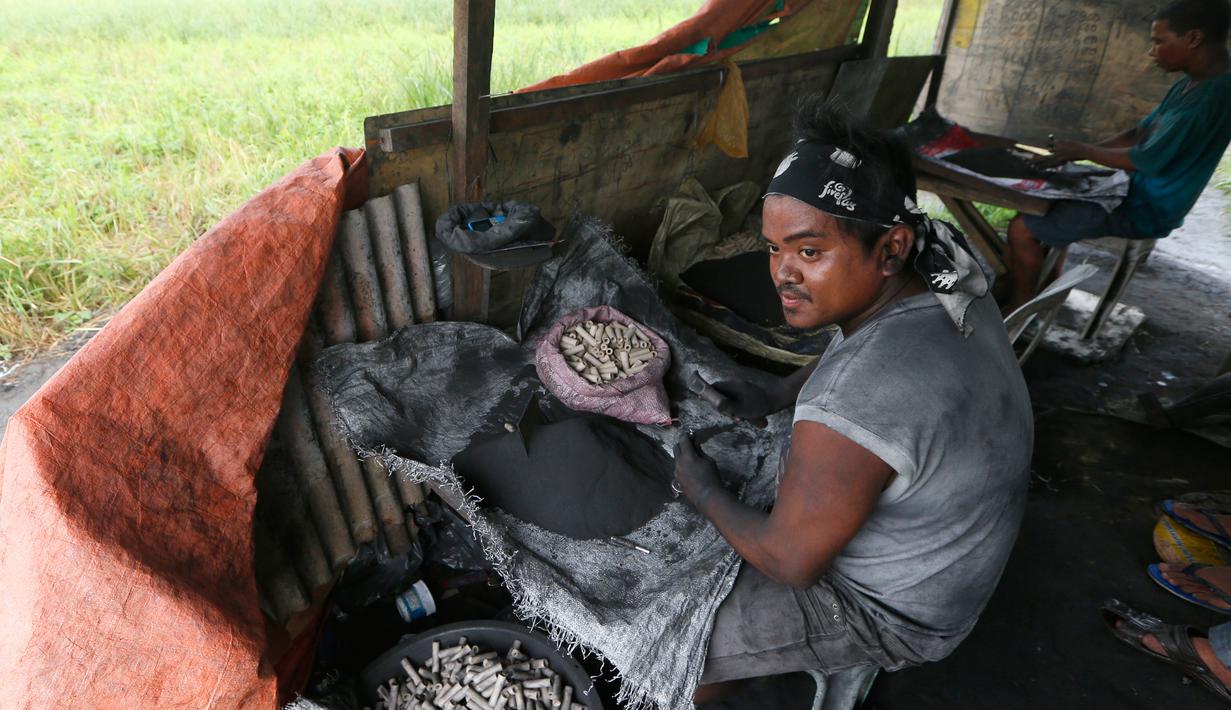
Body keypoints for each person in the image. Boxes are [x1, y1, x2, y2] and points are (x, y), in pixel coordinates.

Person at [671, 96, 1034, 701]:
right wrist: (781, 391)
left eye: (809, 252)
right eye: (773, 248)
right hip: (957, 554)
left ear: (890, 248)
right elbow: (868, 357)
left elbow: (791, 561)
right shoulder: (949, 274)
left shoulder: (854, 399)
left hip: (896, 611)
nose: (782, 274)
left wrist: (703, 490)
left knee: (677, 637)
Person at [1002, 0, 1231, 311]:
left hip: (1145, 206)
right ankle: (1045, 299)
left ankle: (1018, 317)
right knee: (1046, 204)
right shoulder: (1188, 85)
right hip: (1131, 189)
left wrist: (1083, 151)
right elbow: (1138, 134)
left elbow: (1145, 159)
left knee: (1022, 228)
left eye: (1159, 41)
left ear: (1193, 38)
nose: (1152, 52)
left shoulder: (1210, 99)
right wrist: (1077, 154)